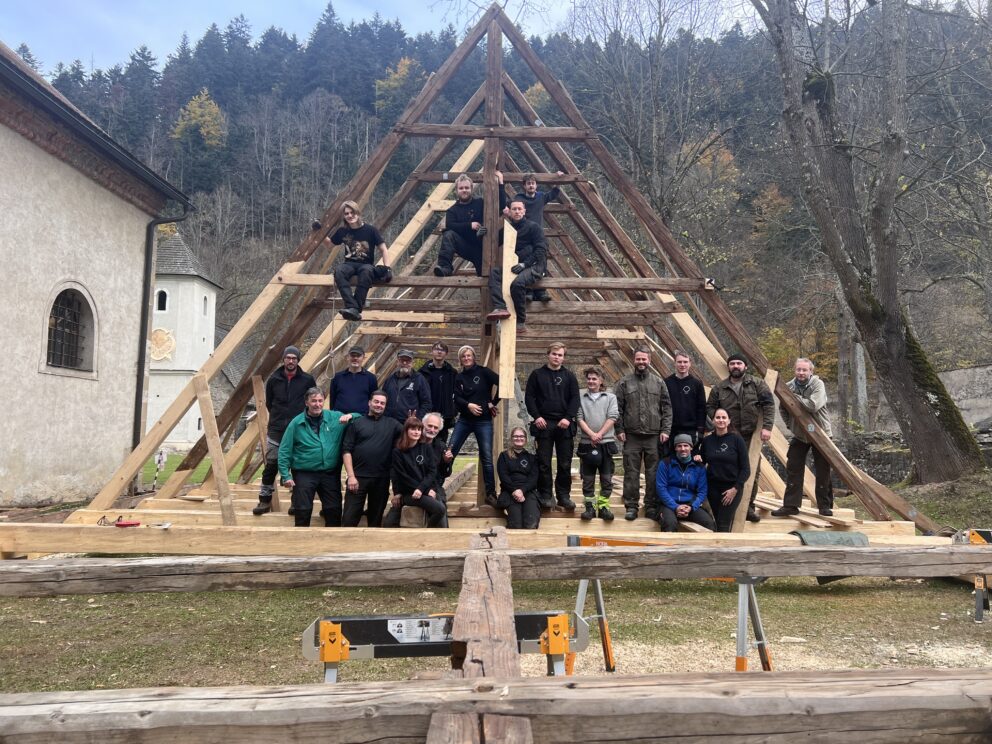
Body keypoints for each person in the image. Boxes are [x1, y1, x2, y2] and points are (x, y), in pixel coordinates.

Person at [706, 353, 775, 524]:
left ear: (745, 366)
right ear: (728, 367)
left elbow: (769, 405)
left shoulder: (757, 384)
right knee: (727, 468)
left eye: (739, 363)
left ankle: (748, 507)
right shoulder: (719, 388)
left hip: (750, 436)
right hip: (728, 436)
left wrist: (767, 427)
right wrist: (721, 423)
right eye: (732, 364)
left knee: (751, 470)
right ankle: (723, 504)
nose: (735, 366)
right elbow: (710, 407)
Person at [277, 387, 358, 527]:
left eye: (320, 401)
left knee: (333, 509)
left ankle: (331, 543)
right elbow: (285, 450)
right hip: (304, 473)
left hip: (329, 473)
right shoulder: (296, 423)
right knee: (302, 509)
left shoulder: (335, 418)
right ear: (306, 403)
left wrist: (351, 416)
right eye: (313, 401)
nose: (317, 404)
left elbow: (361, 418)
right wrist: (285, 475)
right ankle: (302, 543)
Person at [253, 346, 317, 516]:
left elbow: (311, 400)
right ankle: (264, 500)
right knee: (271, 465)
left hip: (299, 429)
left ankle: (296, 502)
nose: (291, 361)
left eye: (294, 358)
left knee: (298, 466)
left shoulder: (307, 380)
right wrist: (278, 416)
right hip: (276, 429)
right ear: (283, 359)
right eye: (288, 358)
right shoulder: (274, 379)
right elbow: (270, 403)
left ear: (298, 360)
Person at [772, 358, 835, 517]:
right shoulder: (789, 386)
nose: (801, 373)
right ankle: (791, 506)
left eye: (804, 370)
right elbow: (783, 409)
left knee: (823, 470)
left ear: (810, 371)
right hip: (800, 435)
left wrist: (793, 398)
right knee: (793, 466)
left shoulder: (817, 385)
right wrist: (790, 426)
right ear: (795, 370)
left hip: (821, 433)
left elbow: (813, 405)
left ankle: (824, 506)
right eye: (798, 370)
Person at [614, 348, 672, 521]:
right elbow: (617, 408)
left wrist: (665, 430)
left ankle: (651, 506)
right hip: (631, 436)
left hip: (653, 436)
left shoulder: (658, 382)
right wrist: (619, 429)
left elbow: (667, 408)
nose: (641, 362)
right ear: (634, 360)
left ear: (650, 360)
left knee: (653, 473)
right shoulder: (624, 383)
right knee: (631, 472)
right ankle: (631, 506)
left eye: (644, 359)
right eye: (638, 359)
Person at [524, 342, 579, 511]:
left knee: (564, 463)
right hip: (544, 424)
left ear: (564, 357)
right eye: (554, 354)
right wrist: (537, 416)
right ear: (548, 354)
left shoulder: (570, 376)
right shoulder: (537, 374)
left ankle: (563, 496)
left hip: (564, 425)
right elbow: (529, 398)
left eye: (560, 355)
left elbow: (575, 399)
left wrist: (568, 417)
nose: (557, 357)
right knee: (543, 463)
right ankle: (546, 495)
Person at [447, 345, 500, 505]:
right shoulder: (459, 377)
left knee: (487, 458)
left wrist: (493, 402)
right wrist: (469, 405)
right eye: (464, 356)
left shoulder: (484, 372)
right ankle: (438, 483)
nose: (467, 358)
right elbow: (456, 397)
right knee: (449, 451)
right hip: (464, 420)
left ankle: (490, 494)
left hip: (483, 421)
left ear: (474, 357)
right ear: (460, 359)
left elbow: (503, 383)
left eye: (469, 355)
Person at [341, 390, 403, 527]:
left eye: (382, 403)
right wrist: (351, 476)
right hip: (357, 479)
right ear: (369, 403)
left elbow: (411, 434)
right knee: (348, 519)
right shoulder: (356, 424)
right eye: (376, 401)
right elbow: (346, 451)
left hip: (381, 479)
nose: (379, 405)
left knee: (375, 521)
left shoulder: (393, 425)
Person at [485, 198, 548, 334]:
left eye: (520, 209)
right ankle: (500, 307)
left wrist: (525, 264)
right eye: (514, 209)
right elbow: (492, 241)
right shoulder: (508, 229)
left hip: (535, 266)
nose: (517, 211)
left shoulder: (533, 227)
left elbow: (541, 250)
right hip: (515, 266)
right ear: (510, 212)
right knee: (495, 274)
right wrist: (483, 233)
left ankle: (521, 321)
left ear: (524, 211)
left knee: (517, 284)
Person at [382, 411, 451, 527]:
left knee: (441, 516)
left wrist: (446, 462)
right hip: (409, 489)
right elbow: (397, 473)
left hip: (434, 488)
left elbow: (441, 473)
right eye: (429, 426)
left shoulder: (440, 446)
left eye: (436, 428)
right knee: (391, 520)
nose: (432, 430)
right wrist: (397, 492)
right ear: (423, 425)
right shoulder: (402, 448)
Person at [433, 171, 507, 277]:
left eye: (467, 188)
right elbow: (450, 226)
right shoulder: (452, 210)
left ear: (471, 189)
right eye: (461, 188)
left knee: (486, 280)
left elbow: (501, 205)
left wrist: (500, 183)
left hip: (485, 245)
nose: (464, 190)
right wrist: (470, 225)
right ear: (456, 190)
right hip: (467, 247)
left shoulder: (481, 203)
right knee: (448, 234)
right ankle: (445, 268)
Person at [329, 201, 391, 321]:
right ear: (344, 216)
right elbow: (329, 245)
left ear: (358, 213)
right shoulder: (342, 231)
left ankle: (354, 309)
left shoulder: (371, 230)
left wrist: (387, 267)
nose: (350, 216)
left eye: (352, 212)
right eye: (346, 213)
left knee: (366, 271)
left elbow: (383, 249)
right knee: (339, 271)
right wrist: (320, 233)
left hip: (366, 264)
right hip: (349, 264)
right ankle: (353, 307)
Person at [510, 171, 564, 303]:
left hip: (537, 233)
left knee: (540, 258)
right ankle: (528, 291)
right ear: (524, 186)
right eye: (528, 184)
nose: (531, 186)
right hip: (524, 234)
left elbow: (553, 193)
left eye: (533, 183)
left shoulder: (541, 197)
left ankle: (540, 291)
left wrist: (558, 180)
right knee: (527, 259)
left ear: (536, 185)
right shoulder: (519, 198)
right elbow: (512, 207)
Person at [576, 366, 619, 521]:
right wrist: (592, 435)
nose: (591, 381)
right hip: (587, 444)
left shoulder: (610, 398)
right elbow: (579, 417)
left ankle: (603, 506)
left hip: (606, 443)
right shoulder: (581, 397)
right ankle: (589, 507)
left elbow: (613, 416)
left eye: (594, 378)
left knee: (606, 478)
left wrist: (599, 434)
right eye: (589, 378)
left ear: (601, 381)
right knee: (588, 479)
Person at [697, 408, 750, 532]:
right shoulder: (707, 441)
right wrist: (697, 458)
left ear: (729, 420)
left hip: (731, 488)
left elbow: (746, 469)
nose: (721, 420)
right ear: (714, 420)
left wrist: (735, 489)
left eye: (724, 417)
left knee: (723, 523)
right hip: (713, 488)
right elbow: (702, 460)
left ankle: (723, 550)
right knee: (717, 520)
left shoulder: (737, 440)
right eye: (718, 417)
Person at [655, 434, 715, 532]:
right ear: (675, 448)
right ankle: (669, 547)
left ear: (691, 447)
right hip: (668, 505)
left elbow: (702, 492)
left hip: (690, 505)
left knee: (709, 523)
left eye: (686, 445)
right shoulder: (665, 463)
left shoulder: (699, 467)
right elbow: (661, 488)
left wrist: (691, 507)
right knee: (670, 524)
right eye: (679, 446)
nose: (683, 449)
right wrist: (676, 507)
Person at [496, 427, 541, 529]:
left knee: (531, 523)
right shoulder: (504, 456)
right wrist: (515, 490)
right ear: (511, 439)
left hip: (528, 492)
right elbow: (503, 476)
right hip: (510, 492)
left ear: (525, 439)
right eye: (516, 436)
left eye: (521, 436)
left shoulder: (532, 458)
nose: (518, 438)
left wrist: (522, 490)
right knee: (516, 524)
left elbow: (533, 478)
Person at [664, 350, 707, 452]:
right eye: (679, 362)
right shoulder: (666, 382)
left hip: (691, 429)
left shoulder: (696, 383)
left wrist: (700, 430)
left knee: (690, 459)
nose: (682, 364)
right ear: (674, 363)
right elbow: (663, 406)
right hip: (671, 429)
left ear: (690, 363)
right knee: (671, 459)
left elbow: (701, 408)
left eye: (685, 362)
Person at [418, 342, 457, 441]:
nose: (439, 352)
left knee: (441, 445)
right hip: (427, 415)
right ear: (432, 352)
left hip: (445, 417)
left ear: (446, 353)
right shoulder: (422, 373)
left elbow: (458, 394)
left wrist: (453, 411)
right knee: (424, 443)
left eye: (442, 350)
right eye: (436, 349)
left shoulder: (452, 373)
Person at [382, 349, 432, 423]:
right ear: (397, 362)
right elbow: (383, 398)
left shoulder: (419, 379)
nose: (404, 362)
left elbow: (427, 403)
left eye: (408, 360)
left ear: (412, 363)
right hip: (389, 422)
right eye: (402, 360)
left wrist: (417, 419)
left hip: (408, 423)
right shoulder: (390, 379)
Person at [329, 345, 378, 416]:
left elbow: (373, 399)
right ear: (347, 358)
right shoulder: (337, 377)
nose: (355, 358)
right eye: (352, 355)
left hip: (361, 419)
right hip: (340, 418)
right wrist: (333, 415)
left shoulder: (371, 378)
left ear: (363, 358)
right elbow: (332, 399)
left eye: (358, 356)